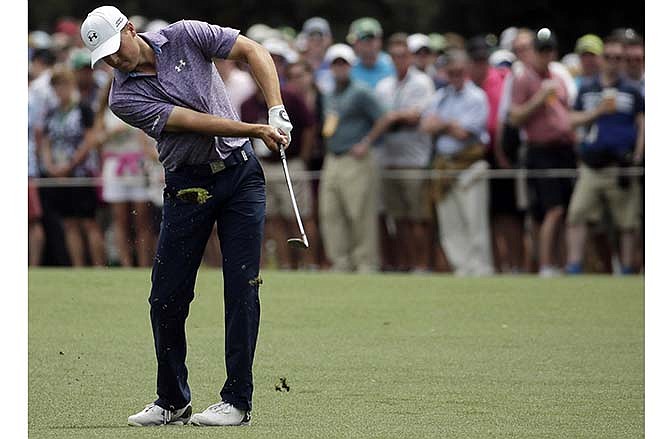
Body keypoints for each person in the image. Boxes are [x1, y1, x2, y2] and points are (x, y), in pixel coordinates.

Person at [79, 5, 291, 427]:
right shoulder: (123, 97)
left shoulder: (186, 34)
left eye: (112, 48)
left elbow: (252, 51)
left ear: (130, 29)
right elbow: (191, 122)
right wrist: (253, 128)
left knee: (242, 287)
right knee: (166, 297)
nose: (112, 61)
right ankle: (172, 400)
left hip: (241, 177)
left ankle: (237, 402)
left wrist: (275, 108)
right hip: (187, 184)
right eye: (102, 58)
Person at [565, 36, 644, 274]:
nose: (612, 62)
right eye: (608, 57)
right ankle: (574, 267)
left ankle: (628, 271)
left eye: (617, 58)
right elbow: (571, 119)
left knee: (627, 224)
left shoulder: (632, 90)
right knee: (577, 215)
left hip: (620, 165)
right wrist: (597, 111)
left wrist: (636, 157)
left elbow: (643, 124)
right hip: (592, 165)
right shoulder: (588, 88)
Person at [508, 28, 577, 276]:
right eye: (541, 50)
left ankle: (559, 263)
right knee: (551, 209)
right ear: (534, 52)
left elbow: (566, 113)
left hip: (564, 148)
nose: (545, 55)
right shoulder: (523, 78)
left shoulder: (558, 78)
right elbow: (514, 117)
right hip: (540, 150)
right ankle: (546, 265)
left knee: (564, 210)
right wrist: (539, 98)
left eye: (549, 50)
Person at [421, 49, 494, 276]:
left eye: (459, 71)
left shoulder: (477, 97)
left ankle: (480, 268)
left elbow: (464, 133)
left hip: (469, 167)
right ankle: (460, 267)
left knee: (474, 221)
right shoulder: (441, 96)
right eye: (451, 72)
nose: (455, 76)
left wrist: (441, 124)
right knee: (450, 223)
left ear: (467, 70)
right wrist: (449, 125)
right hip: (444, 167)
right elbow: (426, 126)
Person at [319, 43, 384, 272]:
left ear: (350, 66)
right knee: (330, 213)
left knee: (359, 213)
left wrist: (366, 142)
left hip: (354, 159)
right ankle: (341, 262)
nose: (339, 68)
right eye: (335, 64)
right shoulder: (328, 94)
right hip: (333, 158)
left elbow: (383, 118)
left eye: (343, 63)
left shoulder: (361, 91)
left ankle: (365, 263)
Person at [373, 33, 435, 271]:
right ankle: (406, 265)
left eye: (403, 55)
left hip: (414, 161)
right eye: (395, 55)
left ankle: (422, 265)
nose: (399, 59)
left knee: (418, 217)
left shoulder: (421, 82)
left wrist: (392, 117)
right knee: (397, 218)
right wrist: (393, 118)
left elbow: (415, 116)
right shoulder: (384, 86)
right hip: (389, 160)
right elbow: (381, 118)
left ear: (410, 56)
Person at [38, 65, 106, 267]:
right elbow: (47, 142)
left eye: (63, 85)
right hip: (59, 175)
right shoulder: (52, 112)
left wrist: (70, 164)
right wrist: (50, 166)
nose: (60, 91)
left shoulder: (83, 108)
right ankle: (77, 267)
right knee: (69, 223)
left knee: (88, 222)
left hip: (81, 173)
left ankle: (99, 267)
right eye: (56, 87)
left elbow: (89, 139)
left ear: (71, 85)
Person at [466, 36, 523, 273]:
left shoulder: (500, 80)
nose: (480, 64)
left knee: (507, 214)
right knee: (485, 216)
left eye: (483, 59)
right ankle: (496, 267)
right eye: (476, 60)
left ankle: (516, 265)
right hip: (472, 157)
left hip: (499, 156)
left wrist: (501, 153)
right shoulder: (464, 82)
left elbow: (501, 123)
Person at [97, 78, 158, 267]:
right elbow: (96, 139)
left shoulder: (140, 101)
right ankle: (125, 265)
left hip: (138, 166)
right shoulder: (104, 110)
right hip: (116, 167)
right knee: (120, 220)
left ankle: (144, 264)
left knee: (142, 219)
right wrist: (112, 132)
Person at [346, 17, 395, 89]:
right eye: (360, 39)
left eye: (370, 38)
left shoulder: (393, 64)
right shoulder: (347, 67)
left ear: (380, 40)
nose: (366, 43)